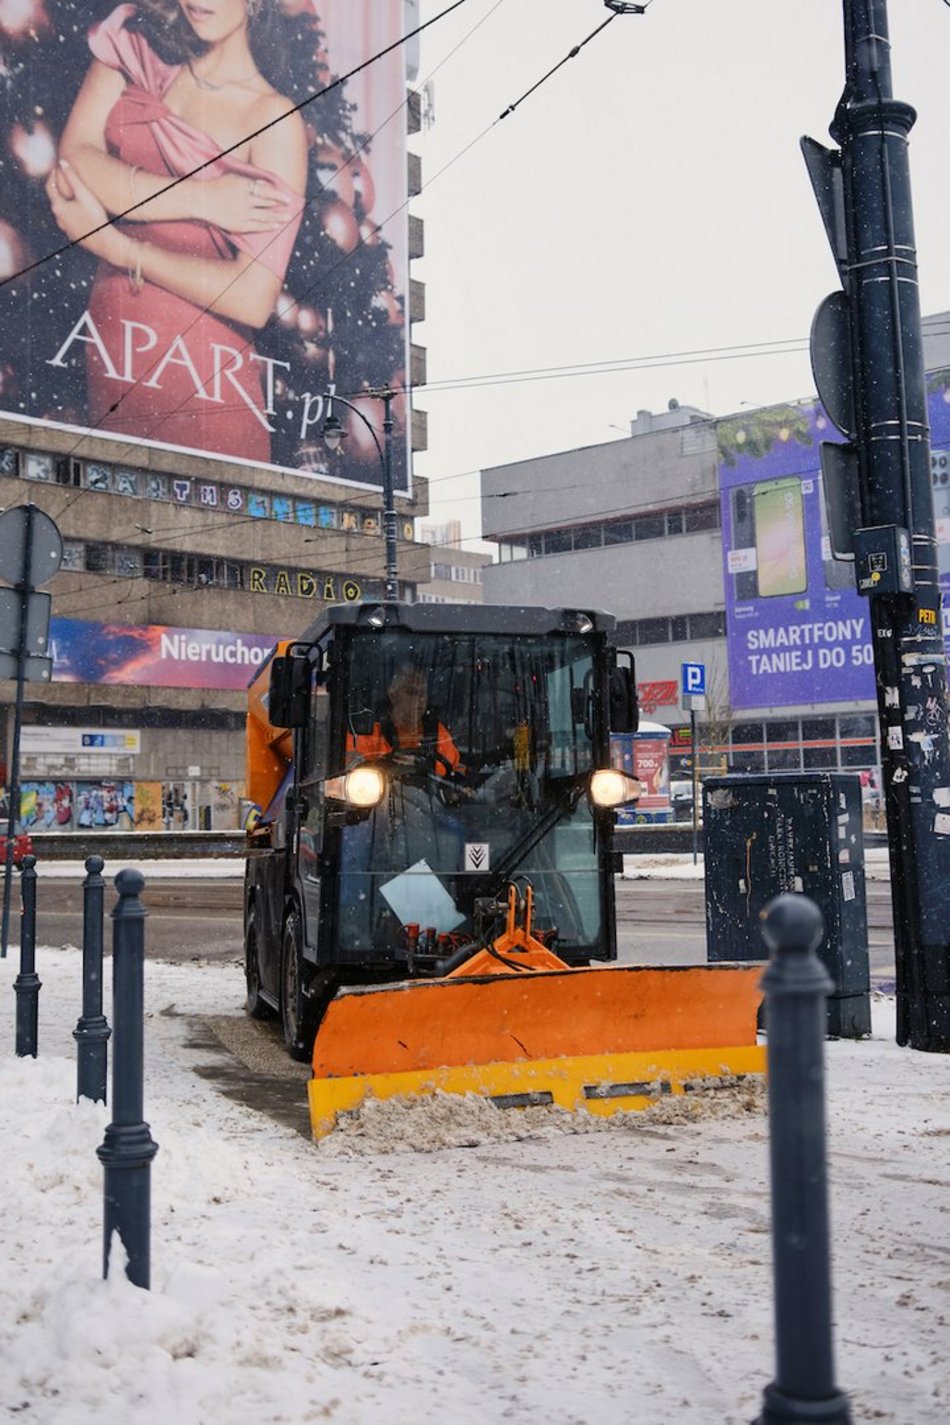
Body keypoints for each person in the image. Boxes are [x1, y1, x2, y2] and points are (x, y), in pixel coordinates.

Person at [45, 1, 307, 462]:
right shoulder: (135, 46)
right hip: (114, 345)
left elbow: (252, 296)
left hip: (209, 385)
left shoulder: (275, 121)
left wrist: (119, 247)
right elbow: (74, 162)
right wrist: (203, 198)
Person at [348, 665, 463, 780]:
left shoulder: (436, 731)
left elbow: (454, 774)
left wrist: (428, 766)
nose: (420, 699)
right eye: (412, 692)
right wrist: (387, 766)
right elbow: (351, 773)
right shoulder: (369, 729)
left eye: (423, 692)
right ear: (393, 695)